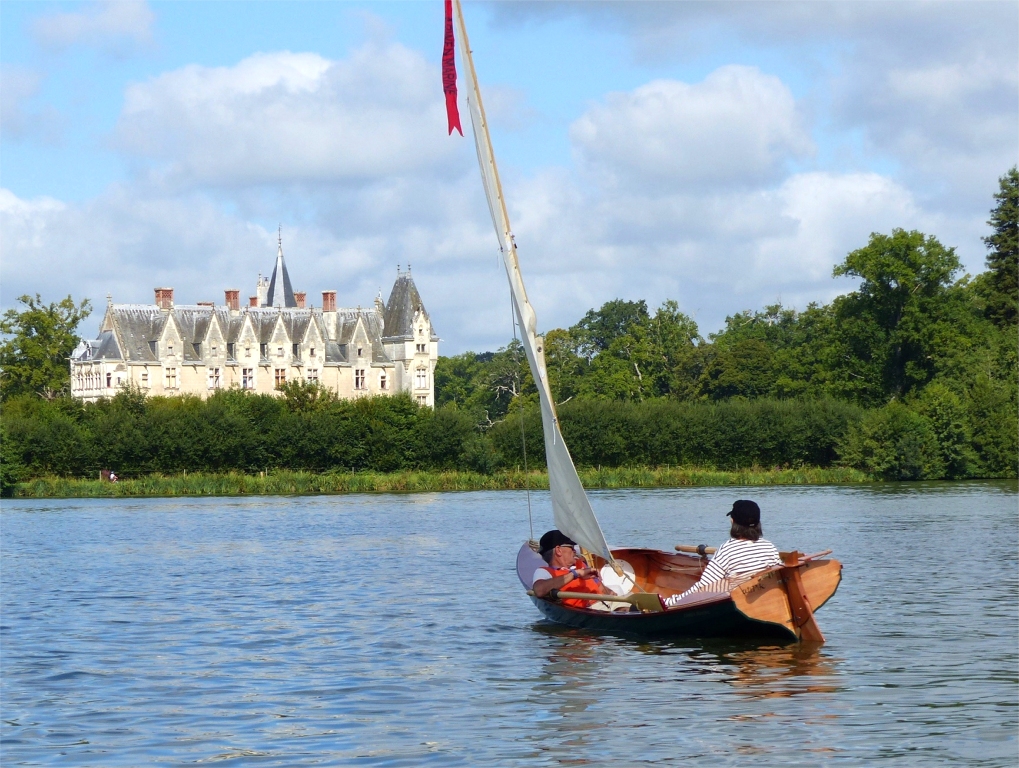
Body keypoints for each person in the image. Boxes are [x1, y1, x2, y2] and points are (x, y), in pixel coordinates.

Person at [664, 500, 781, 607]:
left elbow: (703, 587)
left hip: (741, 607)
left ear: (733, 522)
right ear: (758, 524)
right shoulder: (769, 547)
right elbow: (779, 576)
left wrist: (671, 602)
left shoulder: (727, 550)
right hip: (767, 602)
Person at [532, 530, 611, 609]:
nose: (575, 551)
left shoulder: (581, 565)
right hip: (593, 610)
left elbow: (604, 591)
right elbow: (539, 590)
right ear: (558, 550)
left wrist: (607, 590)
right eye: (571, 547)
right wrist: (575, 574)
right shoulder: (545, 572)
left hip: (608, 604)